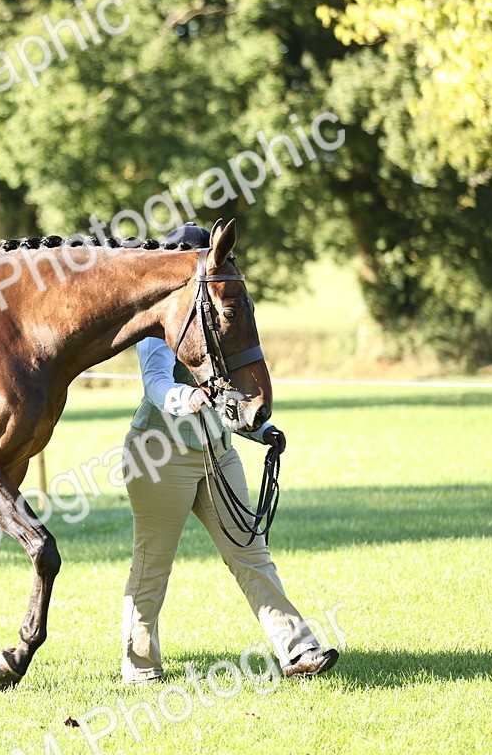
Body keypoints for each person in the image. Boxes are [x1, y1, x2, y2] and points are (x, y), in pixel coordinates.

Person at [121, 222, 338, 684]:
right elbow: (156, 383)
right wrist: (188, 397)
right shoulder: (157, 322)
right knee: (152, 566)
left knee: (251, 553)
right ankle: (140, 667)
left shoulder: (212, 321)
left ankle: (298, 650)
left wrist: (262, 432)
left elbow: (229, 397)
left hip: (218, 452)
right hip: (158, 454)